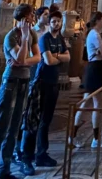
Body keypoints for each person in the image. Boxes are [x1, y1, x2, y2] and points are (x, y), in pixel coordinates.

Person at [0, 4, 40, 178]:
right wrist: (23, 40)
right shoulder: (10, 37)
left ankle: (5, 169)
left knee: (15, 126)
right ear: (23, 17)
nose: (33, 18)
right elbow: (22, 57)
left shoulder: (33, 34)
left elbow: (36, 57)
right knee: (2, 125)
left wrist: (23, 61)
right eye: (31, 15)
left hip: (24, 80)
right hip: (10, 82)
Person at [17, 9, 70, 173]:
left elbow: (68, 57)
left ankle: (41, 154)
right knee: (32, 121)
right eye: (53, 21)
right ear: (49, 23)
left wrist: (57, 56)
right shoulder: (44, 38)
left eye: (58, 21)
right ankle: (26, 158)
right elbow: (47, 60)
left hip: (53, 83)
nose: (56, 24)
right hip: (40, 83)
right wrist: (58, 57)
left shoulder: (59, 38)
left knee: (45, 121)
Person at [72, 11, 102, 149]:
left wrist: (101, 51)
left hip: (96, 69)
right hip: (94, 69)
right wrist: (101, 51)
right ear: (98, 20)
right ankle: (94, 139)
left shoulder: (95, 34)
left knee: (90, 103)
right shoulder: (94, 34)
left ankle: (88, 138)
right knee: (93, 104)